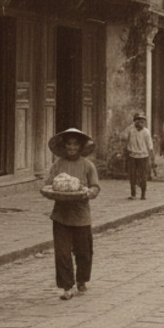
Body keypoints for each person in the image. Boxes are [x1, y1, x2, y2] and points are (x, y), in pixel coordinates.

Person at [46, 127, 100, 300]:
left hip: (81, 215)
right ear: (64, 146)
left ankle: (82, 279)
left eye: (75, 145)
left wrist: (91, 192)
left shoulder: (87, 165)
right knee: (62, 252)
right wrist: (49, 190)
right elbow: (48, 184)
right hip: (61, 214)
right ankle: (67, 286)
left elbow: (95, 186)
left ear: (80, 147)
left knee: (84, 252)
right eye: (68, 144)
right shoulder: (58, 165)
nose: (71, 148)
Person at [122, 112, 154, 200]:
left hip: (143, 156)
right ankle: (133, 194)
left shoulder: (146, 132)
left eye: (142, 121)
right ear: (135, 122)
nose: (140, 123)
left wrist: (151, 159)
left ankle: (143, 194)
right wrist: (126, 152)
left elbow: (150, 146)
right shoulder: (131, 131)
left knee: (143, 176)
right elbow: (126, 141)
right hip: (132, 156)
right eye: (138, 121)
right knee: (132, 175)